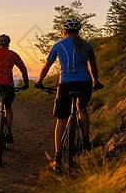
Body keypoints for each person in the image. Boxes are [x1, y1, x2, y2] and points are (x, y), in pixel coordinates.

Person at [34, 18, 103, 171]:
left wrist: (39, 81)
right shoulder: (87, 45)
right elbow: (93, 66)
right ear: (79, 31)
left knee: (61, 120)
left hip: (66, 84)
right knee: (82, 108)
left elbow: (46, 66)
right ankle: (86, 140)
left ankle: (58, 158)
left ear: (63, 30)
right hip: (84, 83)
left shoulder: (58, 45)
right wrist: (95, 81)